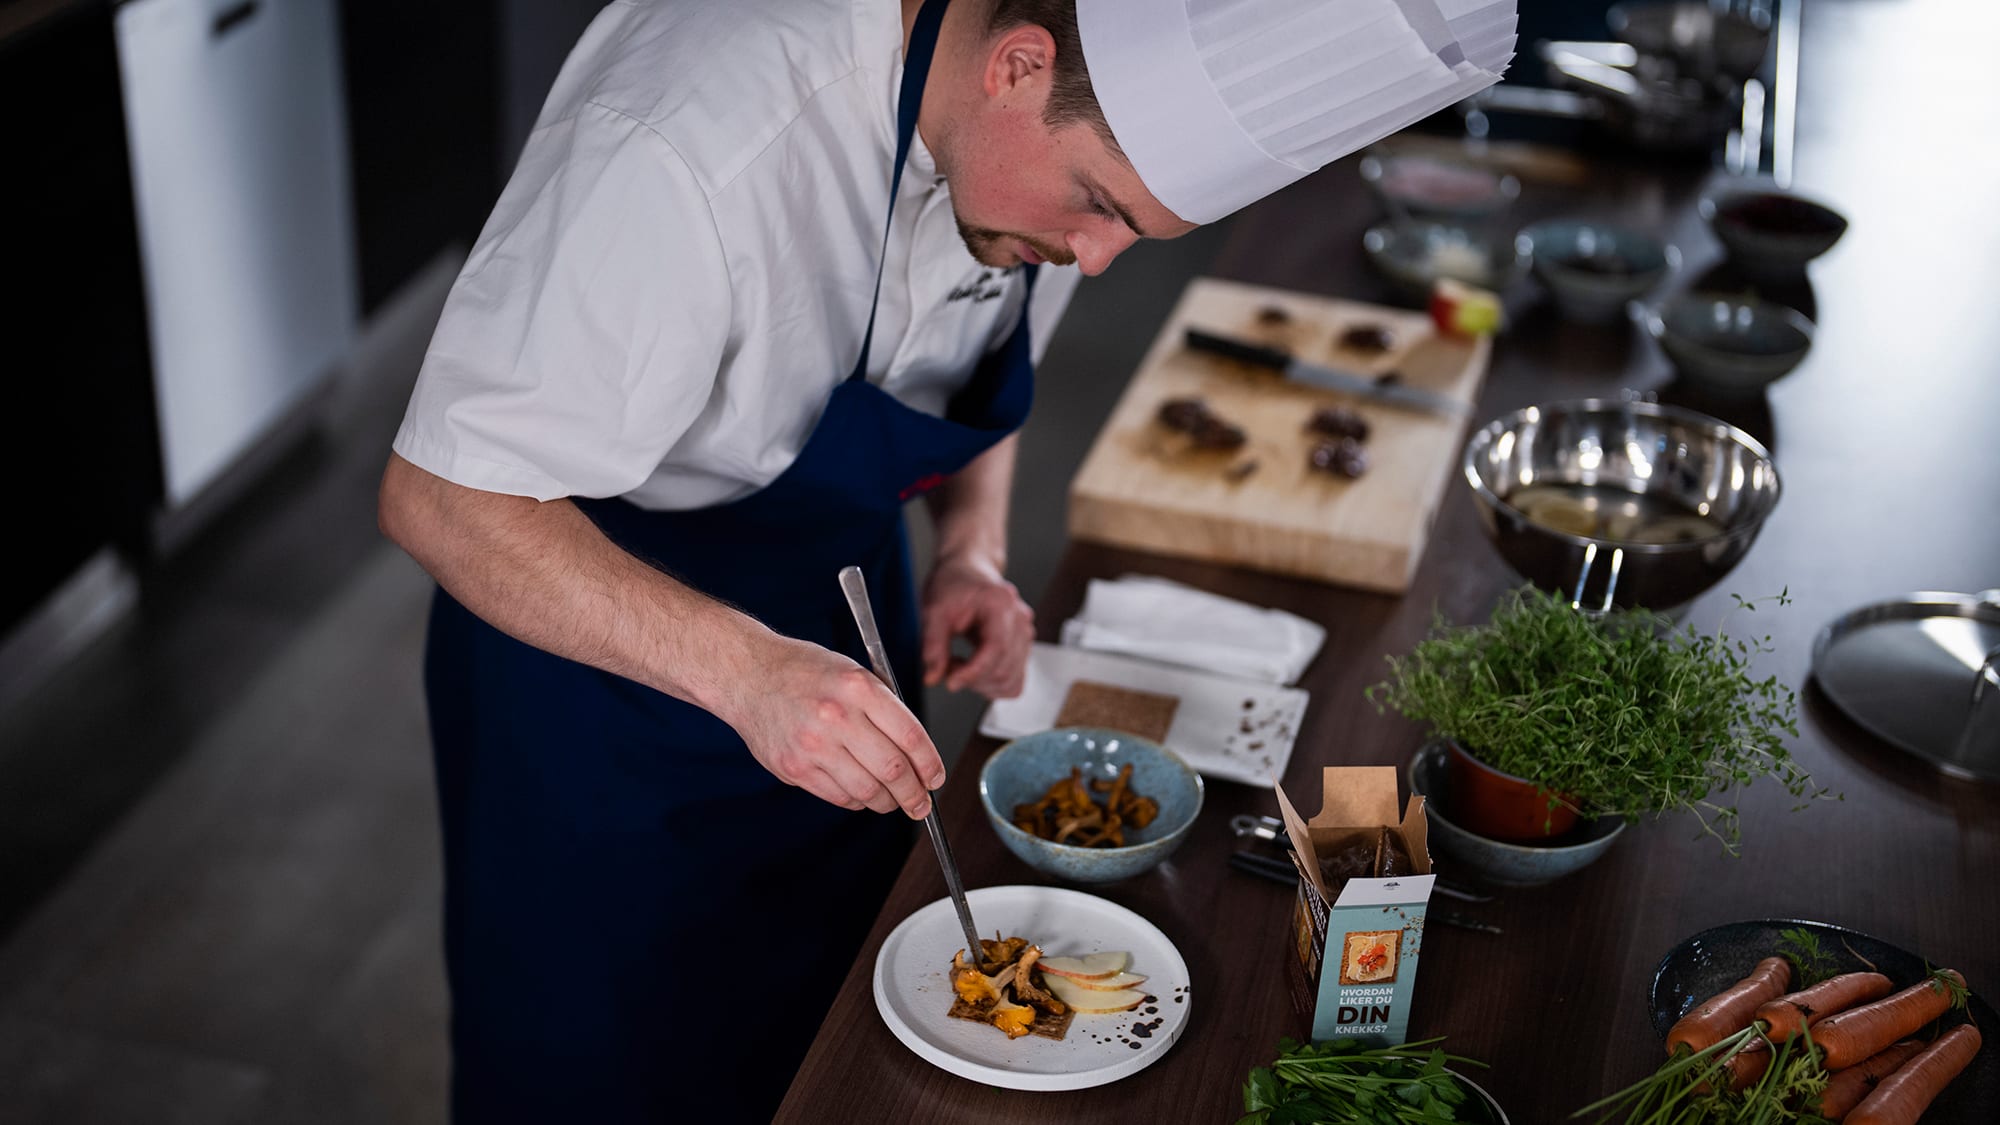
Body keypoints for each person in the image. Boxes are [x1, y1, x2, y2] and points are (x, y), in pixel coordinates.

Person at [377, 0, 1513, 1119]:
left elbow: (981, 350)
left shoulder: (1043, 165)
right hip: (597, 668)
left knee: (826, 1031)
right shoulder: (685, 142)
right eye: (1098, 209)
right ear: (1016, 66)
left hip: (839, 627)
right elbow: (442, 494)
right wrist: (745, 673)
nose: (1096, 258)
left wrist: (970, 547)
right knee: (604, 1068)